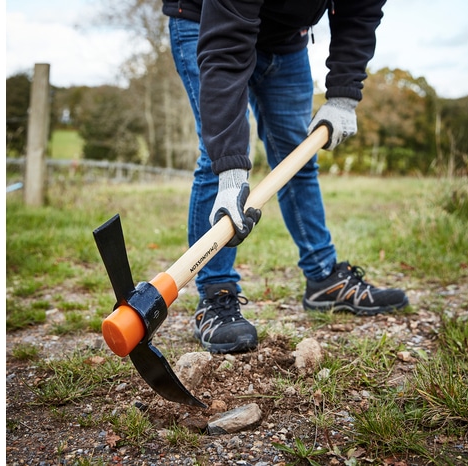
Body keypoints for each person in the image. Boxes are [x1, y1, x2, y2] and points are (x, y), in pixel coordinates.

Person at [161, 0, 409, 355]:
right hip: (208, 22)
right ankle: (216, 294)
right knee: (214, 160)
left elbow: (359, 12)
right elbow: (226, 51)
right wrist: (230, 172)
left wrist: (342, 96)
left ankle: (324, 278)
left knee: (298, 156)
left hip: (287, 39)